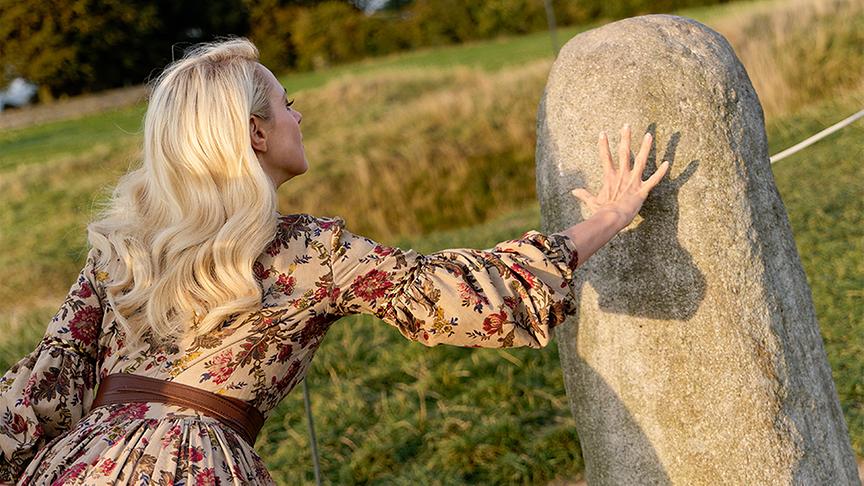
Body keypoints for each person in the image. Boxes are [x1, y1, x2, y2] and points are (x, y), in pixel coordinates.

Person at [0, 37, 668, 485]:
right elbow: (461, 298)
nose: (299, 116)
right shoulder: (310, 251)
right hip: (196, 468)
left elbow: (42, 390)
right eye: (287, 104)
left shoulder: (123, 248)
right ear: (255, 133)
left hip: (80, 466)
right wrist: (610, 214)